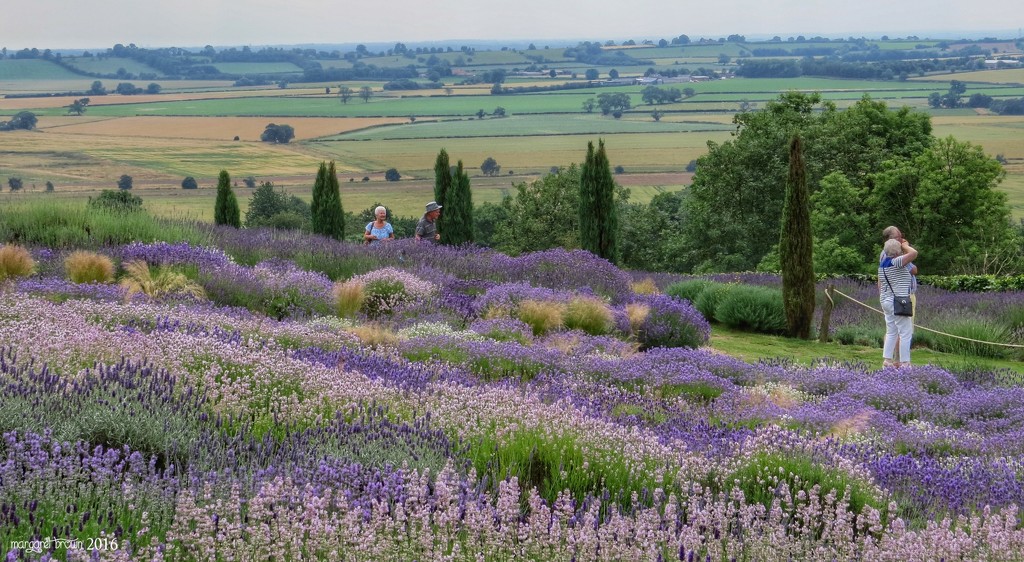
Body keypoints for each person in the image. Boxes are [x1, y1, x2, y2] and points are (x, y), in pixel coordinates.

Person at [878, 237, 918, 368]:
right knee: (906, 333)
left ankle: (887, 361)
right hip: (898, 301)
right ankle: (905, 363)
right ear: (897, 252)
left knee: (891, 332)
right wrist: (905, 246)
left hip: (886, 300)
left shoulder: (883, 264)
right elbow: (914, 254)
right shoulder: (897, 262)